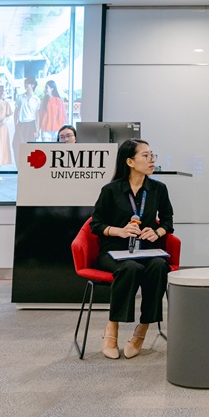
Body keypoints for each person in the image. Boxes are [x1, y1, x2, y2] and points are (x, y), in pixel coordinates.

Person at [90, 139, 175, 359]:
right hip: (114, 251)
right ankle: (112, 328)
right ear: (129, 161)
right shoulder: (111, 190)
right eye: (145, 156)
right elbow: (95, 225)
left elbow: (168, 222)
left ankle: (142, 329)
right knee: (130, 268)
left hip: (147, 250)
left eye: (152, 155)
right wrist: (119, 231)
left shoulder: (158, 189)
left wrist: (156, 233)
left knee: (158, 266)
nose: (152, 160)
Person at [13, 77, 40, 162]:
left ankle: (27, 169)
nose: (25, 85)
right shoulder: (20, 97)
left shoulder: (37, 100)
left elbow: (38, 116)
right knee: (16, 145)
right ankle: (19, 168)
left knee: (29, 148)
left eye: (27, 83)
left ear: (32, 85)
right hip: (21, 124)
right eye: (25, 83)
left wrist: (37, 130)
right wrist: (15, 124)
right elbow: (15, 112)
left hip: (31, 125)